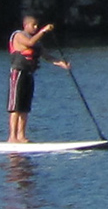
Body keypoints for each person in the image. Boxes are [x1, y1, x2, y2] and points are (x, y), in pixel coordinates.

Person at [8, 15, 70, 144]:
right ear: (26, 26)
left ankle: (21, 136)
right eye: (33, 25)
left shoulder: (37, 43)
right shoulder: (19, 36)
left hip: (29, 74)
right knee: (15, 107)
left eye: (37, 25)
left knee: (25, 107)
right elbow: (29, 43)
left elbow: (47, 56)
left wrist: (61, 63)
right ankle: (12, 137)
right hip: (18, 72)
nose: (36, 28)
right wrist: (43, 31)